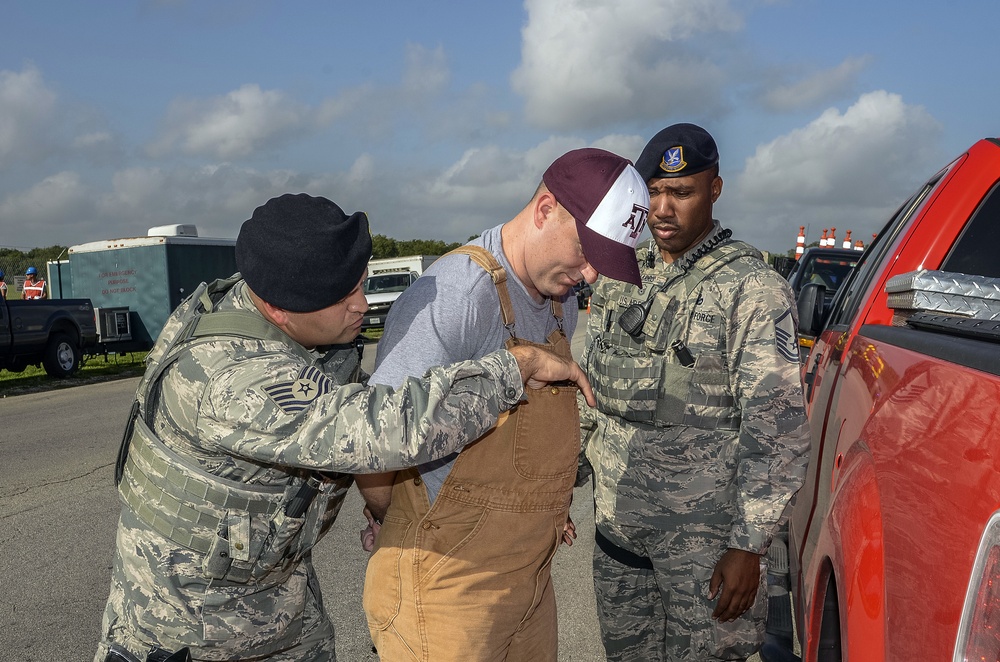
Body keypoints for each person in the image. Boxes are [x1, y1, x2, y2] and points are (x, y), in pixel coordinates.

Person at [94, 193, 595, 662]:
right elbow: (383, 431)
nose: (361, 304)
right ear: (278, 310)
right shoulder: (229, 375)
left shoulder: (292, 310)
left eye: (359, 284)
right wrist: (515, 368)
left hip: (277, 592)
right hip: (188, 624)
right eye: (342, 297)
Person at [359, 148, 650, 661]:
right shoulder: (457, 292)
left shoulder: (560, 301)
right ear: (544, 211)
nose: (590, 276)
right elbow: (374, 434)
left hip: (528, 582)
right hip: (450, 589)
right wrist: (403, 516)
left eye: (602, 264)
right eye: (586, 255)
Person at [579, 123, 810, 661]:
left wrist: (748, 545)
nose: (662, 208)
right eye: (653, 191)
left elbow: (776, 430)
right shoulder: (618, 277)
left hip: (704, 547)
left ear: (715, 189)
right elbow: (591, 390)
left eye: (681, 192)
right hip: (617, 532)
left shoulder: (753, 291)